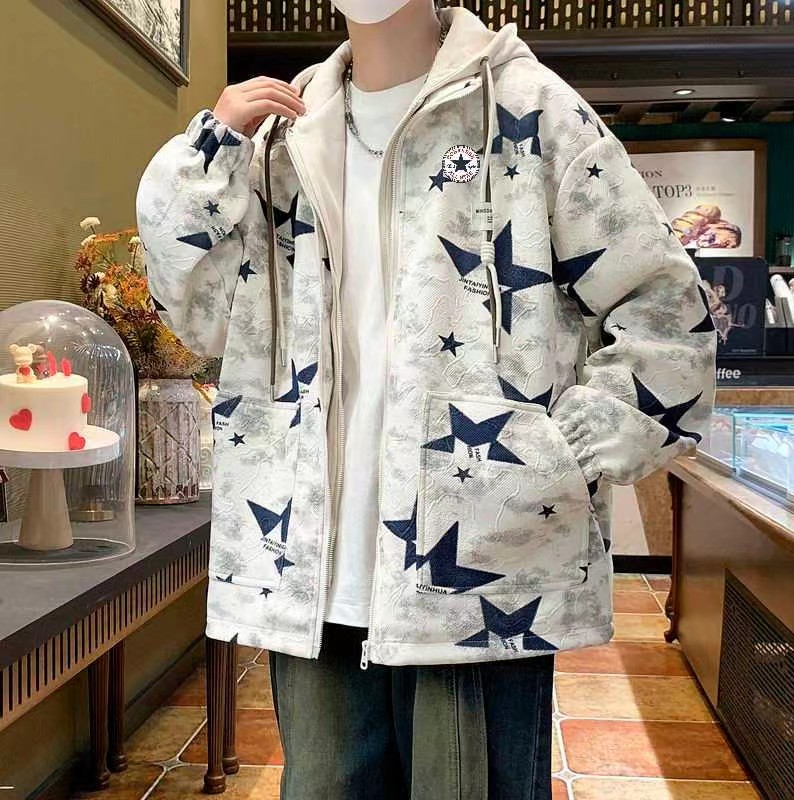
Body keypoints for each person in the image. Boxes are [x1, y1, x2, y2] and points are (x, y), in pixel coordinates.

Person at [137, 1, 716, 796]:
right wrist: (208, 153)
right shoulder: (280, 139)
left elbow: (667, 312)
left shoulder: (531, 109)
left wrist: (554, 457)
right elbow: (199, 318)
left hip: (477, 567)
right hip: (311, 564)